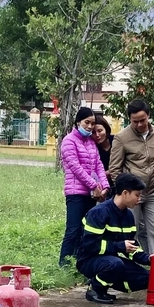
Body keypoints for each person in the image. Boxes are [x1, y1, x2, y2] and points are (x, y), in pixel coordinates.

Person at [110, 99, 154, 258]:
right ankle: (135, 267)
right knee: (133, 230)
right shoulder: (121, 138)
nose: (139, 125)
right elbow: (115, 168)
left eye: (142, 120)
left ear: (148, 116)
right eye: (134, 121)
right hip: (131, 194)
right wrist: (125, 192)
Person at [79, 172, 152, 304]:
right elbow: (90, 246)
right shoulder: (99, 213)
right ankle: (95, 288)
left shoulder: (128, 216)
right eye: (137, 195)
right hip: (88, 259)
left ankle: (105, 284)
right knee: (114, 264)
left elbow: (130, 246)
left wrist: (150, 259)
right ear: (125, 193)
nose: (139, 199)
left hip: (110, 259)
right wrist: (120, 246)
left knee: (148, 278)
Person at [60, 106, 109, 266]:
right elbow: (76, 168)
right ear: (78, 122)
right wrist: (94, 185)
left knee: (85, 230)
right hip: (75, 193)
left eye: (92, 124)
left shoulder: (90, 143)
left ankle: (81, 263)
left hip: (91, 194)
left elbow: (98, 166)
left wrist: (105, 186)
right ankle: (64, 264)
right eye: (86, 122)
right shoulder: (68, 141)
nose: (89, 126)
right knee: (73, 230)